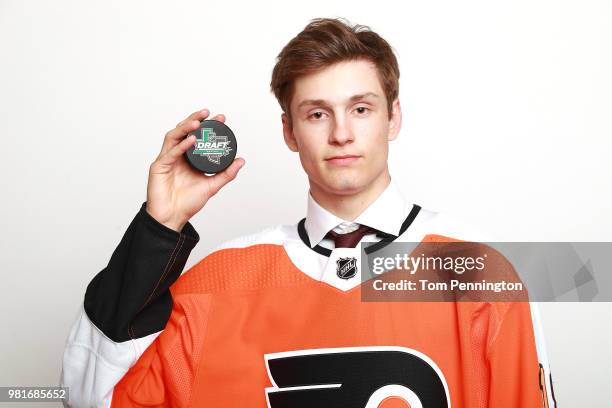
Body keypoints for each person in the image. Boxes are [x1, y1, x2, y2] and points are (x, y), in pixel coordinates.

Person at [60, 17, 556, 407]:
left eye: (361, 108)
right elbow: (91, 396)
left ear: (393, 118)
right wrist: (157, 228)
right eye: (317, 113)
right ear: (290, 133)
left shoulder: (479, 273)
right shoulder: (217, 282)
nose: (341, 132)